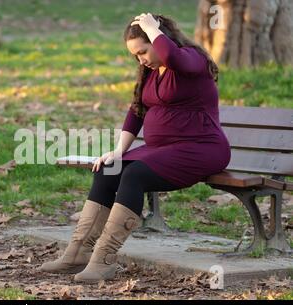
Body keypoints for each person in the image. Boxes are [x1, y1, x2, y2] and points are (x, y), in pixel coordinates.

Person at [39, 13, 231, 283]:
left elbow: (173, 58)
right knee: (108, 169)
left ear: (159, 39)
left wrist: (153, 29)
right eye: (135, 55)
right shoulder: (151, 72)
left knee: (134, 174)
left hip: (201, 149)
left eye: (143, 51)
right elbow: (137, 111)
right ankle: (78, 252)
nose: (140, 59)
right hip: (165, 150)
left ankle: (103, 260)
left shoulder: (191, 59)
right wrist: (119, 150)